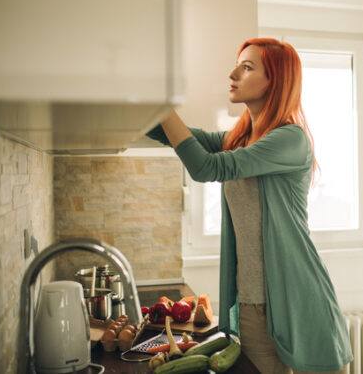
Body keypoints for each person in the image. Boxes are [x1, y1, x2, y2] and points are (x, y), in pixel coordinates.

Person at [146, 38, 352, 373]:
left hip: (300, 300)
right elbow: (176, 135)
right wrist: (142, 103)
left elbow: (206, 168)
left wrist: (166, 106)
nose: (233, 73)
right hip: (252, 304)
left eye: (247, 67)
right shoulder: (239, 139)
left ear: (276, 81)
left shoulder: (290, 139)